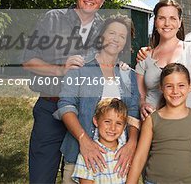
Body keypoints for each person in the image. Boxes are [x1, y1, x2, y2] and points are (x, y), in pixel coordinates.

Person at [23, 0, 109, 183]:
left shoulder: (104, 29)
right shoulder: (53, 19)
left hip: (86, 114)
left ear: (102, 1)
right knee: (41, 177)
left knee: (79, 178)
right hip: (51, 109)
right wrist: (60, 69)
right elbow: (28, 60)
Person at [54, 15, 140, 184]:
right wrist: (83, 140)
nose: (116, 39)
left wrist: (132, 143)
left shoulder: (128, 74)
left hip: (118, 161)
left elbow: (134, 112)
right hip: (81, 157)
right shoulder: (80, 67)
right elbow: (66, 105)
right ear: (102, 36)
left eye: (122, 36)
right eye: (112, 33)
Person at [135, 0, 191, 174]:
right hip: (154, 133)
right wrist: (142, 104)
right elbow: (139, 94)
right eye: (162, 18)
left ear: (179, 22)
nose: (167, 23)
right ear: (155, 22)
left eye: (172, 18)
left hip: (188, 131)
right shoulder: (145, 57)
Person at [127, 63, 191, 184]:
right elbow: (140, 157)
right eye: (169, 86)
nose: (175, 91)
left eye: (181, 85)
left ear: (189, 87)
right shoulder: (152, 119)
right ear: (161, 88)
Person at [72, 98, 129, 184]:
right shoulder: (88, 154)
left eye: (118, 123)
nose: (112, 128)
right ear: (96, 121)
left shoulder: (126, 153)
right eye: (107, 121)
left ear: (124, 126)